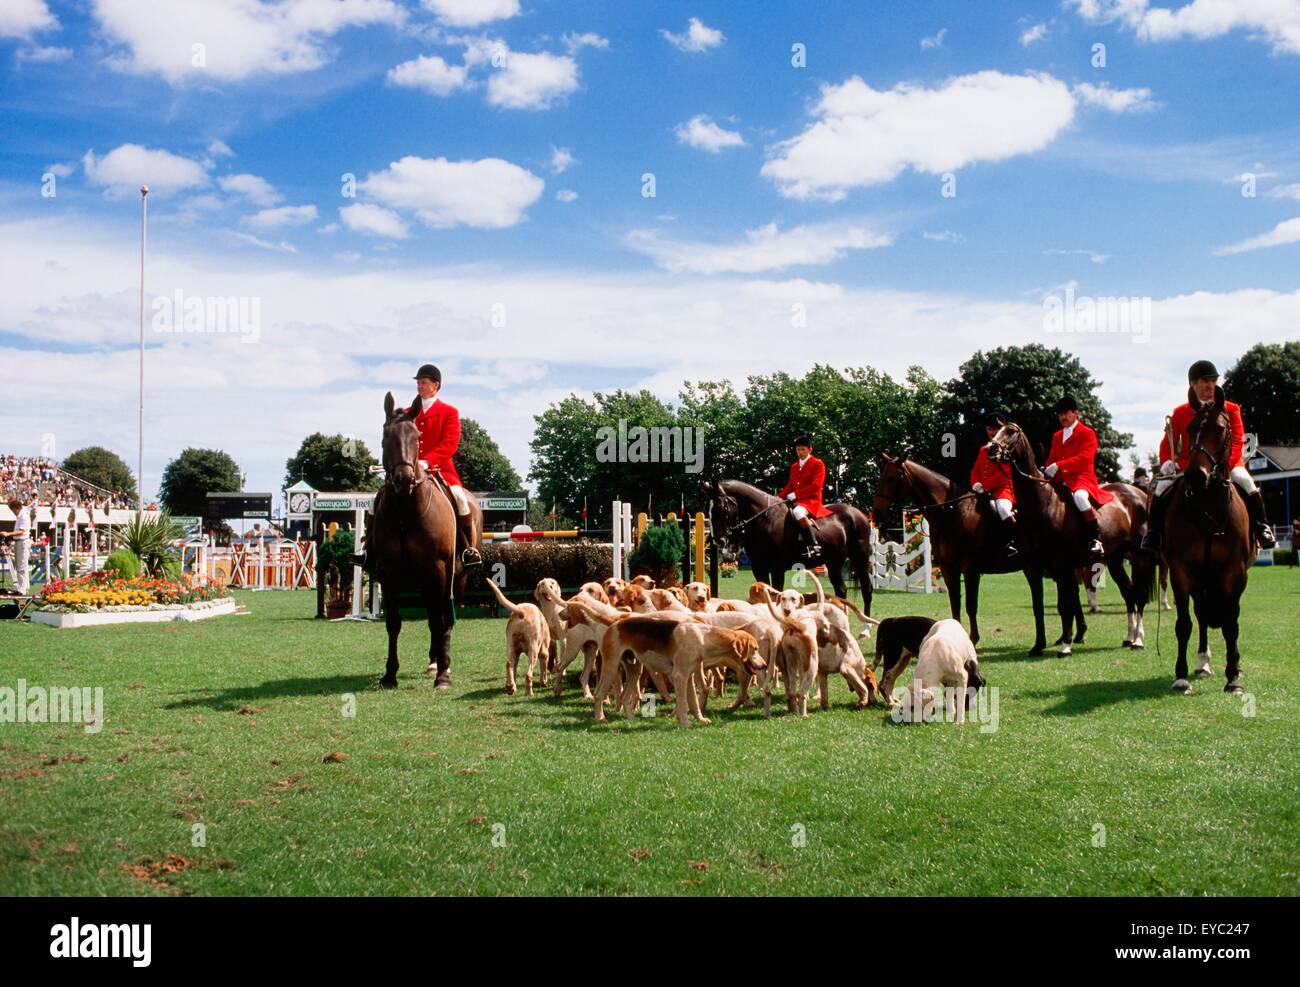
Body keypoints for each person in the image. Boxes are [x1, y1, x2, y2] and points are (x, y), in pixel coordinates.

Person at [1142, 359, 1275, 550]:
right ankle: (1153, 533)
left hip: (1228, 464)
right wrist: (1167, 462)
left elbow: (1238, 440)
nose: (1211, 385)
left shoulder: (1231, 409)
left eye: (1213, 381)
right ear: (1193, 384)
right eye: (1205, 381)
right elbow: (1168, 442)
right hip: (1191, 464)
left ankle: (1262, 527)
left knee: (1247, 483)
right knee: (1161, 487)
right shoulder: (1180, 412)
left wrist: (1226, 465)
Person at [409, 364, 482, 569]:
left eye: (423, 382)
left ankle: (468, 550)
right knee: (378, 498)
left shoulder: (449, 412)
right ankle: (369, 549)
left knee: (460, 499)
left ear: (435, 385)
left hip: (440, 470)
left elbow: (450, 444)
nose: (419, 386)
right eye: (418, 383)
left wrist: (427, 461)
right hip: (409, 471)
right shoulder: (408, 413)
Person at [1043, 395, 1111, 560]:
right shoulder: (1057, 436)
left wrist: (1060, 465)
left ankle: (1096, 537)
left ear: (1076, 413)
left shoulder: (1087, 433)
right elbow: (1052, 458)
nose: (1062, 417)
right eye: (1060, 414)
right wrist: (1046, 469)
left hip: (1082, 478)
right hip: (1061, 479)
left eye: (1066, 413)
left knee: (1080, 497)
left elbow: (1085, 458)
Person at [971, 413, 1018, 558]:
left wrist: (984, 486)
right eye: (989, 429)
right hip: (984, 491)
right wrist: (976, 483)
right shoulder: (983, 450)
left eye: (995, 429)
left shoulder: (1007, 448)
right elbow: (975, 470)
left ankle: (1015, 542)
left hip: (1004, 490)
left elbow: (1005, 475)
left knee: (1003, 509)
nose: (992, 432)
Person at [777, 435, 831, 559]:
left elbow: (816, 486)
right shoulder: (794, 467)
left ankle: (814, 544)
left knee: (798, 512)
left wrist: (797, 494)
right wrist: (778, 498)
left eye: (803, 449)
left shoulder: (818, 464)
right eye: (798, 450)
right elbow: (790, 486)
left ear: (809, 449)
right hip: (797, 500)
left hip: (811, 501)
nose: (800, 452)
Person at [1, 498, 32, 595]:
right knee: (21, 566)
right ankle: (24, 588)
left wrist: (8, 534)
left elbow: (21, 531)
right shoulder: (20, 516)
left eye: (13, 509)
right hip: (19, 542)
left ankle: (22, 590)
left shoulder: (24, 516)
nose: (13, 512)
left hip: (23, 541)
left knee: (21, 567)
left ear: (16, 508)